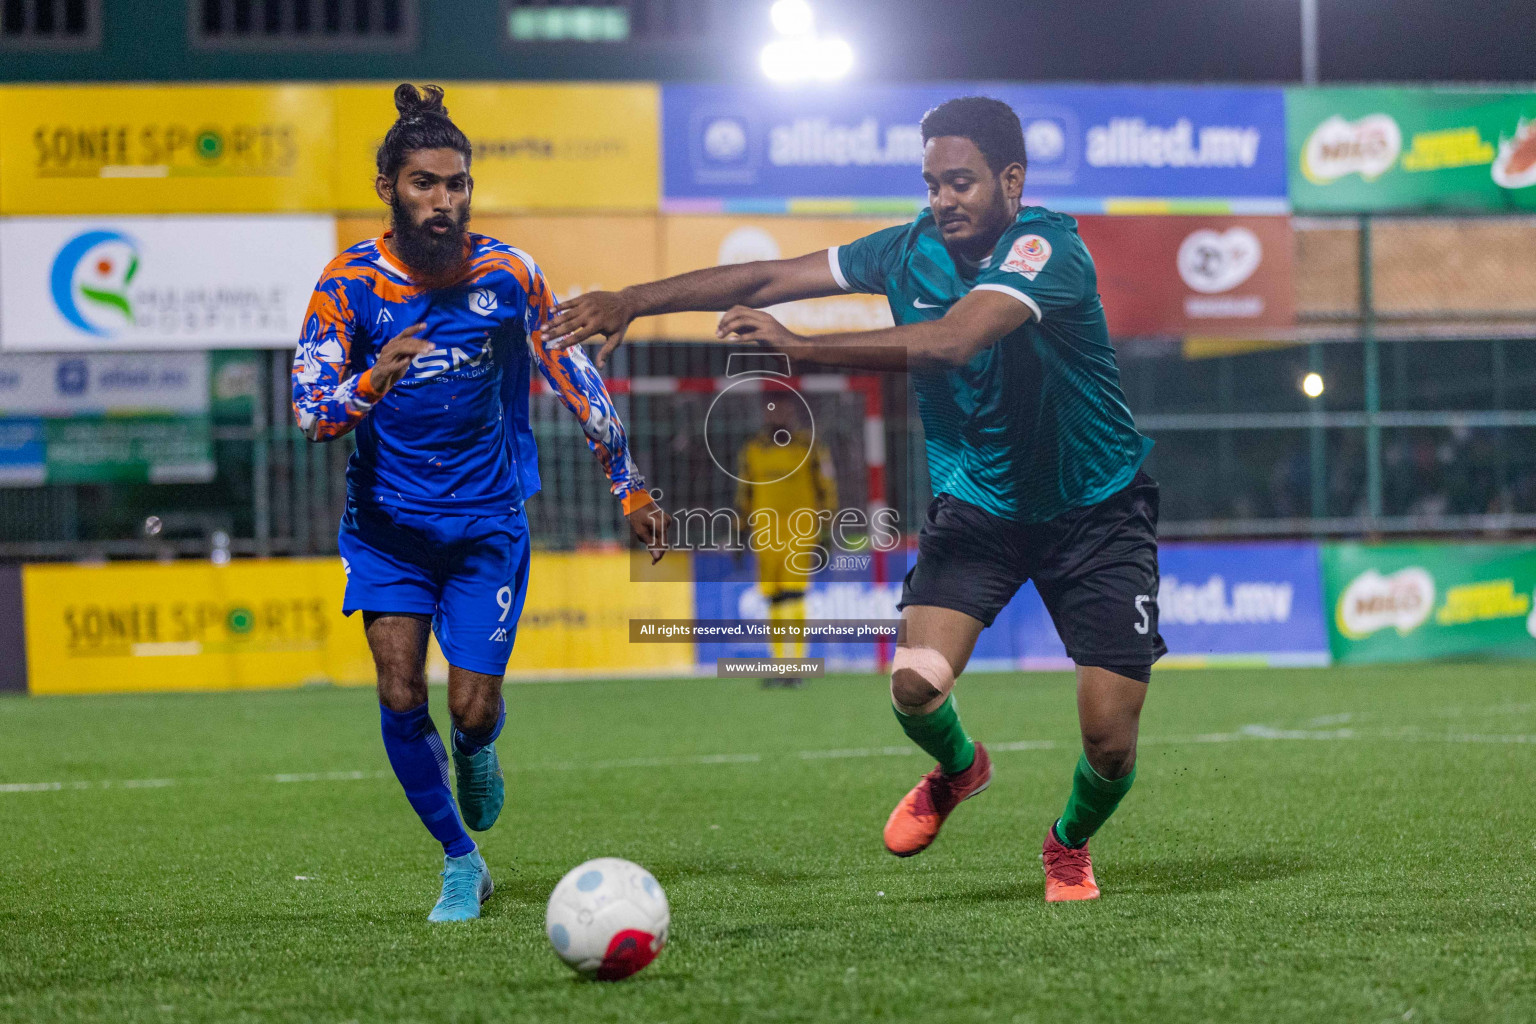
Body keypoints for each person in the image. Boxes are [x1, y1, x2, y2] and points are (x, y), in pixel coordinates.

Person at [548, 96, 1162, 903]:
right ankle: (958, 768)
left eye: (961, 183)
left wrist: (803, 349)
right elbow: (770, 274)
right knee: (914, 688)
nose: (942, 200)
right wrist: (632, 299)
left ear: (1011, 180)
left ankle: (1067, 843)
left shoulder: (1046, 249)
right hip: (980, 507)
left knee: (1110, 745)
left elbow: (955, 340)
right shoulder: (905, 250)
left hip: (1097, 513)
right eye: (932, 183)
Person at [292, 84, 668, 922]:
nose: (444, 200)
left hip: (487, 523)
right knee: (397, 692)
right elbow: (312, 410)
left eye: (456, 184)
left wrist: (628, 480)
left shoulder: (509, 273)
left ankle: (475, 745)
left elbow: (573, 372)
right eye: (425, 183)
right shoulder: (348, 285)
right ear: (388, 186)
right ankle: (462, 862)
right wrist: (370, 381)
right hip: (388, 527)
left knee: (472, 705)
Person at [734, 395, 838, 688]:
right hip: (765, 533)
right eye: (772, 408)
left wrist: (828, 528)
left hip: (800, 531)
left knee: (794, 594)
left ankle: (795, 665)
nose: (778, 413)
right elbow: (745, 491)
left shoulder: (810, 446)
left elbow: (826, 486)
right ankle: (780, 664)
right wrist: (739, 530)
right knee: (774, 597)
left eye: (783, 408)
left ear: (793, 412)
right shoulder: (753, 449)